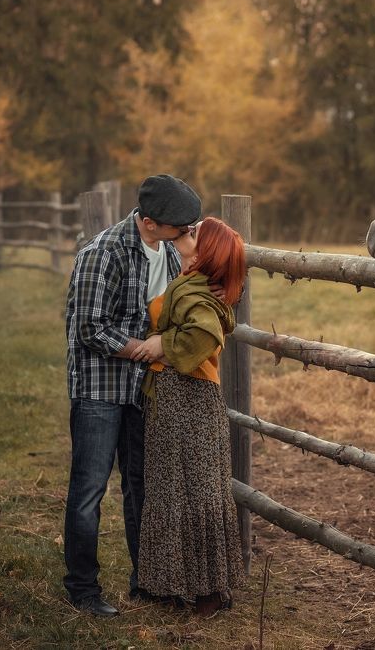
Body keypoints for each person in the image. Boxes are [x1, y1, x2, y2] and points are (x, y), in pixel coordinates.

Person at [63, 174, 202, 617]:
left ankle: (146, 583)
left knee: (141, 486)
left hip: (144, 387)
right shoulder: (102, 253)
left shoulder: (171, 254)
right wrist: (140, 350)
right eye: (180, 229)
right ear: (148, 223)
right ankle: (83, 589)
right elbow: (87, 325)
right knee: (89, 490)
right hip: (100, 389)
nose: (187, 236)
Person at [130, 217, 247, 617]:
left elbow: (202, 336)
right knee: (175, 487)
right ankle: (181, 584)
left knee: (193, 489)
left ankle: (208, 590)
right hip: (177, 393)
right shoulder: (192, 281)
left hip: (188, 392)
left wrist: (162, 344)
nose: (186, 233)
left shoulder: (198, 293)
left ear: (205, 251)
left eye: (194, 233)